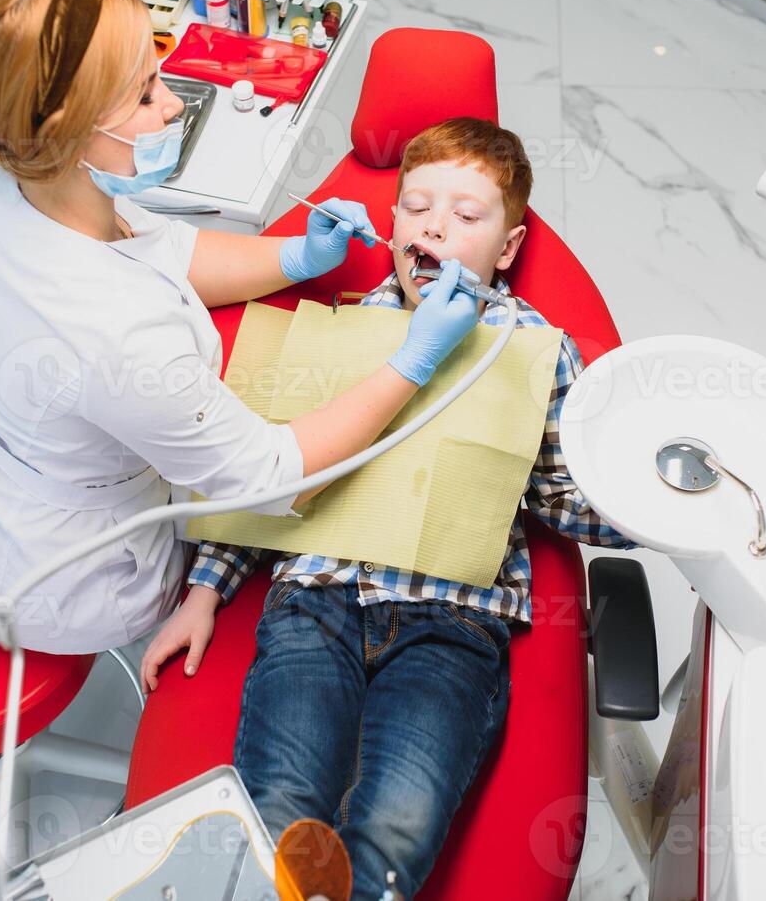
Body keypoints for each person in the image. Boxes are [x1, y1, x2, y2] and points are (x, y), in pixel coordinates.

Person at [0, 0, 479, 653]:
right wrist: (414, 362)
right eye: (147, 95)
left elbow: (164, 251)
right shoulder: (114, 337)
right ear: (69, 133)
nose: (175, 102)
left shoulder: (6, 188)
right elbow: (274, 482)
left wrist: (295, 256)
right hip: (66, 577)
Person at [140, 117, 638, 898]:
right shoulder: (340, 325)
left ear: (506, 248)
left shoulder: (535, 348)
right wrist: (206, 590)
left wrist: (648, 504)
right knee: (278, 809)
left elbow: (559, 496)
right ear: (394, 223)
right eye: (416, 207)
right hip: (315, 604)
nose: (436, 225)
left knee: (394, 832)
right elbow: (268, 478)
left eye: (467, 216)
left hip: (453, 622)